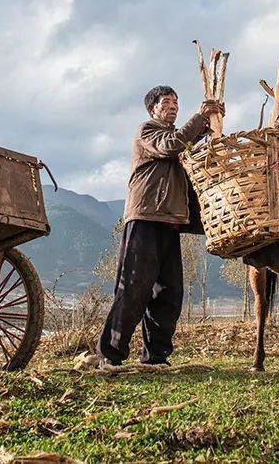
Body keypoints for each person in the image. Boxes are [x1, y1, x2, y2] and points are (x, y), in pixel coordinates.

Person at [96, 85, 224, 366]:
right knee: (134, 287)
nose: (173, 106)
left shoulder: (178, 137)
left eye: (176, 102)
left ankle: (155, 357)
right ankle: (111, 354)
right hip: (145, 217)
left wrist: (209, 127)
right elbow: (171, 145)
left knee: (168, 293)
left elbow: (187, 148)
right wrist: (198, 118)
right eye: (167, 102)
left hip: (170, 222)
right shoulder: (148, 131)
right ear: (153, 108)